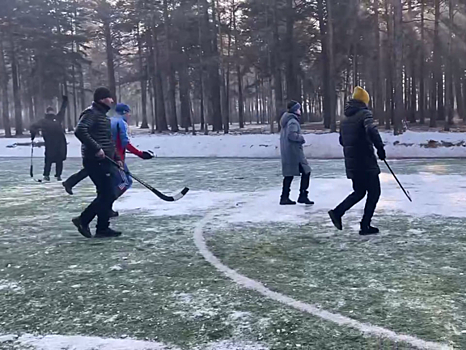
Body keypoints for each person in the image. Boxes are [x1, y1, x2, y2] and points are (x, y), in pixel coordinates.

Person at [62, 103, 153, 197]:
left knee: (96, 175)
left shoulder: (109, 120)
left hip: (104, 153)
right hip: (114, 156)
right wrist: (140, 154)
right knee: (126, 182)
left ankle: (71, 183)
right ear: (124, 112)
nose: (129, 115)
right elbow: (124, 142)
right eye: (128, 112)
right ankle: (109, 199)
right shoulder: (121, 123)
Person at [328, 86, 386, 236]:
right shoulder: (364, 114)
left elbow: (342, 141)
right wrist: (379, 148)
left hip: (352, 163)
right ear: (364, 101)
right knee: (374, 192)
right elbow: (372, 130)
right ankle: (365, 225)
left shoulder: (345, 119)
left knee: (359, 191)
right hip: (365, 161)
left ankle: (338, 212)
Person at [72, 87, 122, 238]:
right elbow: (80, 131)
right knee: (108, 194)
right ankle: (83, 219)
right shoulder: (91, 113)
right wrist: (96, 149)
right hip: (95, 161)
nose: (112, 101)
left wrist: (117, 157)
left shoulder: (102, 115)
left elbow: (108, 140)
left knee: (106, 193)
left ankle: (102, 228)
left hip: (106, 160)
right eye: (109, 98)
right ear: (102, 99)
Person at [279, 100, 313, 206]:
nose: (300, 111)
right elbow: (291, 135)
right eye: (298, 109)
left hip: (288, 151)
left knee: (289, 175)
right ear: (295, 110)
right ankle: (303, 195)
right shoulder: (293, 121)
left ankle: (284, 197)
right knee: (306, 171)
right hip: (294, 152)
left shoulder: (286, 120)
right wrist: (301, 138)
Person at [30, 96, 68, 181]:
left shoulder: (56, 119)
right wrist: (33, 134)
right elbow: (33, 127)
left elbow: (62, 110)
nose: (51, 112)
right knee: (50, 159)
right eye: (50, 111)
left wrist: (65, 102)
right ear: (48, 112)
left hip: (58, 143)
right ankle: (48, 175)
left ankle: (56, 175)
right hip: (52, 143)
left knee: (56, 160)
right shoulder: (44, 121)